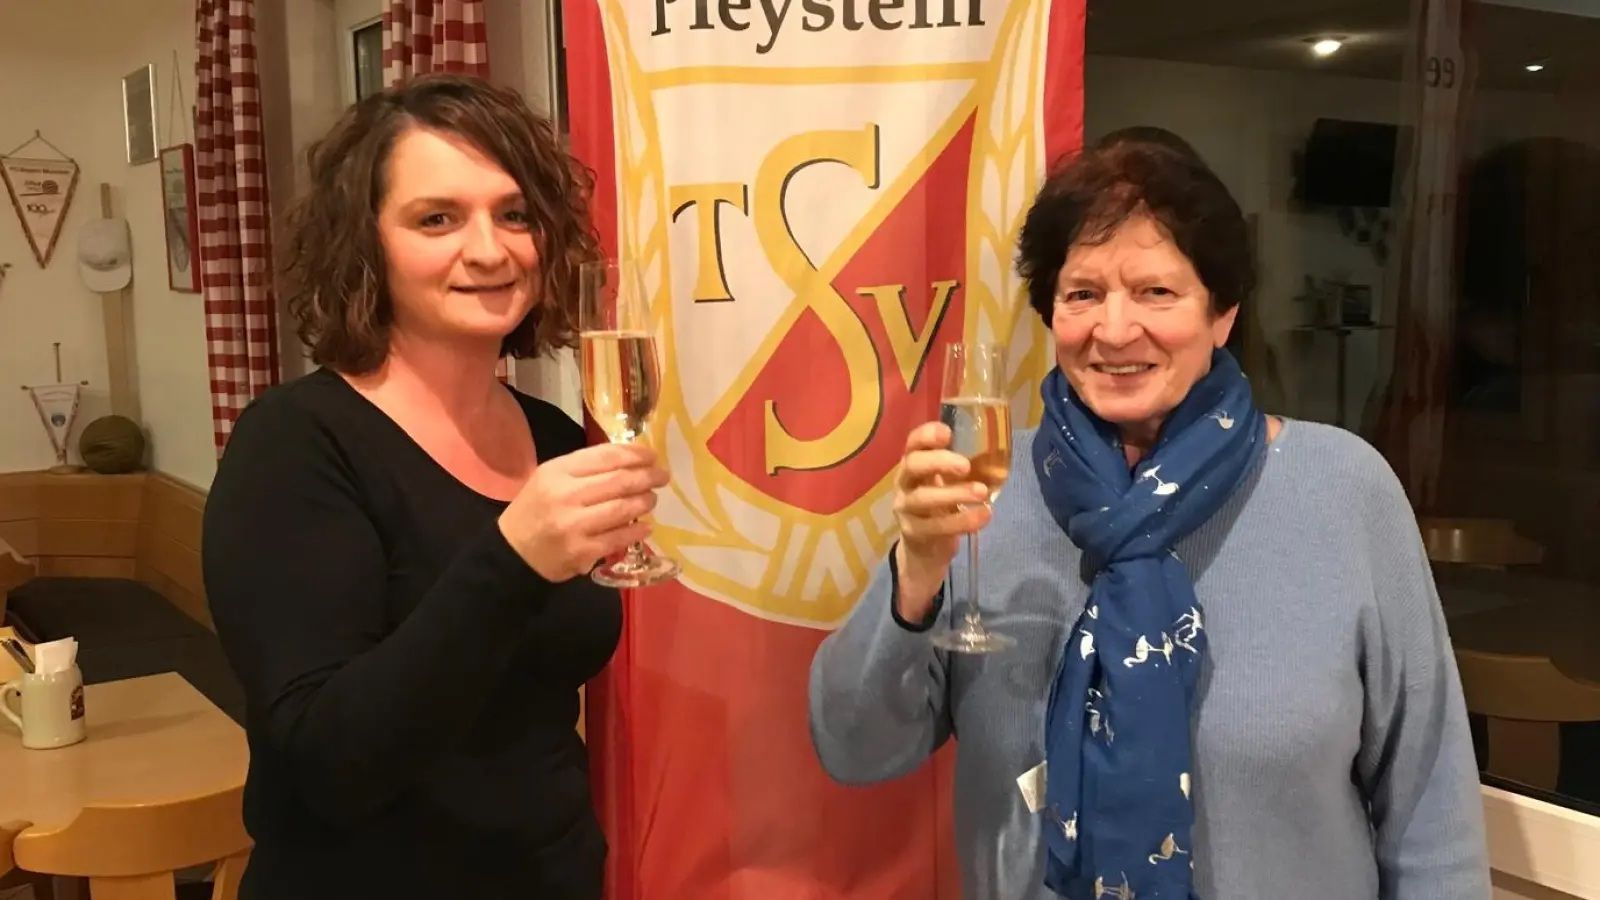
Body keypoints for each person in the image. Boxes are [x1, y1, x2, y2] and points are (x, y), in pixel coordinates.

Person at [808, 135, 1490, 898]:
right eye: (1083, 293)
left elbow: (1431, 815)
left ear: (1222, 314)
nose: (1114, 329)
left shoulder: (1343, 491)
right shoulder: (980, 495)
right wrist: (914, 575)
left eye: (1156, 292)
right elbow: (855, 748)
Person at [203, 74, 667, 899]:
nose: (489, 250)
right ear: (367, 244)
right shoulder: (295, 444)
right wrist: (513, 560)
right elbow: (324, 763)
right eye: (437, 219)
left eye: (514, 214)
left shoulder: (555, 436)